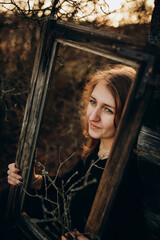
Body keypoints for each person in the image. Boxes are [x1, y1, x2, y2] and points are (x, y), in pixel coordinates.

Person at [7, 65, 142, 240]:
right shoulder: (95, 151)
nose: (93, 116)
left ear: (127, 116)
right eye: (93, 102)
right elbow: (69, 189)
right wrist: (35, 181)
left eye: (108, 109)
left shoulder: (128, 174)